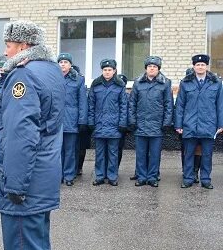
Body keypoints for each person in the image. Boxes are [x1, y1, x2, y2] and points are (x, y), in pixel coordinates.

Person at [0, 20, 64, 250]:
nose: (4, 48)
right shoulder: (50, 71)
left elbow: (21, 135)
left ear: (23, 46)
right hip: (42, 178)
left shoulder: (23, 75)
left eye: (9, 43)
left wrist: (15, 186)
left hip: (26, 183)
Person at [175, 54, 223, 189]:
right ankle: (188, 178)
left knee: (207, 155)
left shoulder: (216, 83)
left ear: (207, 66)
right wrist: (178, 124)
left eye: (203, 65)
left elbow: (220, 105)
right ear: (194, 66)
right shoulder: (185, 83)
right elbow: (180, 105)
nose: (200, 67)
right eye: (198, 65)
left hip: (209, 125)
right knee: (188, 154)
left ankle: (206, 179)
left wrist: (221, 124)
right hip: (189, 125)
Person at [128, 56, 173, 187]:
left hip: (157, 125)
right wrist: (132, 121)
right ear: (145, 69)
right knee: (141, 154)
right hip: (140, 124)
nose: (152, 69)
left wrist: (166, 123)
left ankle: (152, 177)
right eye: (149, 67)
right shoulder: (138, 83)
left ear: (158, 69)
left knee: (154, 154)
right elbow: (132, 104)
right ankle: (142, 177)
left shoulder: (165, 83)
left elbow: (168, 105)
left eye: (154, 67)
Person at [88, 59, 127, 186]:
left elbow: (123, 106)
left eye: (110, 70)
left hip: (114, 125)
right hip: (99, 124)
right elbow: (91, 105)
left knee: (113, 153)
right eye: (105, 70)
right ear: (102, 71)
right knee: (99, 153)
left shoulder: (119, 85)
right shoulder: (96, 85)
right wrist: (90, 122)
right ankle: (99, 176)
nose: (107, 72)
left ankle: (112, 176)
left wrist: (122, 123)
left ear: (114, 71)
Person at [57, 53, 87, 186]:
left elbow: (82, 102)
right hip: (56, 121)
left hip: (71, 120)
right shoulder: (53, 78)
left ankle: (69, 175)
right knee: (57, 151)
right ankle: (58, 175)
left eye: (65, 62)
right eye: (61, 62)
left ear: (70, 65)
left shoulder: (78, 80)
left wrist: (82, 121)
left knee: (70, 151)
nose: (63, 64)